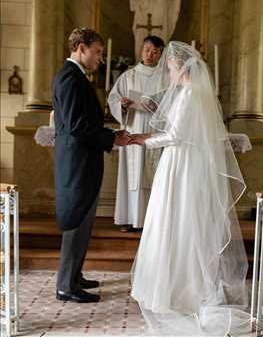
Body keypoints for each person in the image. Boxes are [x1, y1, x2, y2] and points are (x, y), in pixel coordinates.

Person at [130, 42, 252, 335]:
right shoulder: (195, 94)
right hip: (183, 163)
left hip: (179, 165)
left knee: (175, 222)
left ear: (181, 66)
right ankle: (177, 289)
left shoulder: (188, 95)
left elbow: (173, 135)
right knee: (180, 222)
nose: (168, 73)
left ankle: (178, 293)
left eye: (170, 67)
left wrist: (139, 139)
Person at [52, 28, 130, 303]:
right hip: (77, 163)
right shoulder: (69, 78)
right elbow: (76, 125)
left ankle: (74, 276)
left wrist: (110, 136)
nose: (100, 58)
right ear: (81, 48)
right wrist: (110, 137)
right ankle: (65, 286)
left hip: (83, 160)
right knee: (76, 219)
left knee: (83, 219)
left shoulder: (76, 77)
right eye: (97, 52)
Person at [108, 35, 167, 232]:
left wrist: (155, 107)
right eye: (147, 49)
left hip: (154, 131)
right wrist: (122, 105)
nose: (150, 54)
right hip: (133, 128)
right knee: (131, 176)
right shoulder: (129, 76)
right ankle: (129, 218)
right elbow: (113, 99)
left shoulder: (166, 77)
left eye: (155, 51)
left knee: (152, 175)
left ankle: (151, 221)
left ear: (161, 54)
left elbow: (172, 105)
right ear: (142, 50)